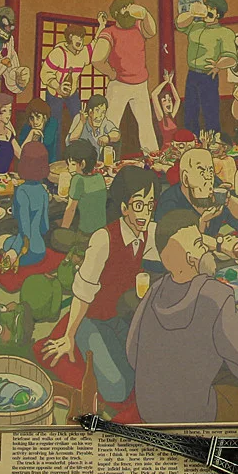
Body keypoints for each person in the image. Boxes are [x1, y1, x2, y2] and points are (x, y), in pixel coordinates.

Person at [126, 210, 238, 423]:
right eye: (199, 244)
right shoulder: (217, 295)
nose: (206, 249)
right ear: (191, 259)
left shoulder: (154, 290)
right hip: (195, 416)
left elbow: (132, 354)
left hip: (148, 411)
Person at [40, 167, 161, 404]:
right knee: (118, 388)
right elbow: (83, 293)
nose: (145, 213)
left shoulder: (148, 233)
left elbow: (175, 240)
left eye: (149, 206)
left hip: (122, 316)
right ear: (124, 207)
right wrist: (69, 335)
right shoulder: (103, 239)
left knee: (149, 367)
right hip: (92, 319)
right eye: (138, 205)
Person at [90, 0, 159, 153]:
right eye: (124, 8)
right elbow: (96, 59)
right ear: (116, 13)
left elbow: (152, 31)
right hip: (119, 85)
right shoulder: (109, 32)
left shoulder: (138, 27)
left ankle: (152, 156)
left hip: (140, 84)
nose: (129, 10)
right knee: (110, 124)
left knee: (146, 124)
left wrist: (145, 13)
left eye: (130, 6)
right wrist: (111, 73)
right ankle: (103, 158)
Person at [176, 0, 237, 134]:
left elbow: (231, 57)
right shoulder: (195, 26)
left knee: (210, 112)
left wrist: (218, 65)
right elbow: (179, 23)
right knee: (190, 111)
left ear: (218, 14)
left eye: (211, 9)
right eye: (206, 7)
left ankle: (214, 141)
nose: (207, 11)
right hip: (192, 74)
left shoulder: (225, 33)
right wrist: (192, 13)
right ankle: (192, 140)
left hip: (208, 76)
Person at [39, 19, 107, 145]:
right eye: (77, 37)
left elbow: (95, 43)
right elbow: (45, 73)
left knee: (80, 121)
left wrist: (101, 26)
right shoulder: (58, 53)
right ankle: (52, 155)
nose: (80, 40)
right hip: (55, 95)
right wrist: (58, 87)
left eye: (82, 37)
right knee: (54, 126)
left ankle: (78, 151)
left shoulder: (83, 54)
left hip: (72, 94)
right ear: (70, 37)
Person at [154, 148, 238, 237]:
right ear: (185, 179)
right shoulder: (169, 203)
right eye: (201, 172)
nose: (208, 178)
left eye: (210, 171)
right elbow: (174, 244)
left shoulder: (215, 186)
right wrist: (202, 223)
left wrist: (229, 199)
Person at [0, 142, 50, 271]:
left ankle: (11, 257)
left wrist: (16, 249)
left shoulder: (21, 191)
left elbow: (23, 226)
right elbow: (45, 227)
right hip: (40, 250)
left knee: (0, 240)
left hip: (24, 251)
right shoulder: (43, 191)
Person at [49, 140, 107, 254]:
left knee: (55, 235)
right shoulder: (100, 178)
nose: (68, 167)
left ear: (83, 164)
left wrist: (63, 230)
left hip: (85, 236)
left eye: (72, 164)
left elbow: (70, 209)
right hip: (102, 233)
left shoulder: (77, 180)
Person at [18, 97, 60, 163]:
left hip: (49, 164)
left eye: (38, 117)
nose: (35, 122)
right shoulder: (26, 128)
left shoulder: (52, 123)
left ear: (45, 117)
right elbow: (21, 153)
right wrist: (31, 134)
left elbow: (46, 144)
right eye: (32, 118)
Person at [150, 70, 181, 149]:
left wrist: (171, 83)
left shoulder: (171, 116)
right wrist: (165, 81)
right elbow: (154, 94)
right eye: (164, 100)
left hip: (175, 149)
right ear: (161, 105)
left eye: (169, 100)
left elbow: (177, 100)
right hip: (166, 150)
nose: (168, 102)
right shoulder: (161, 116)